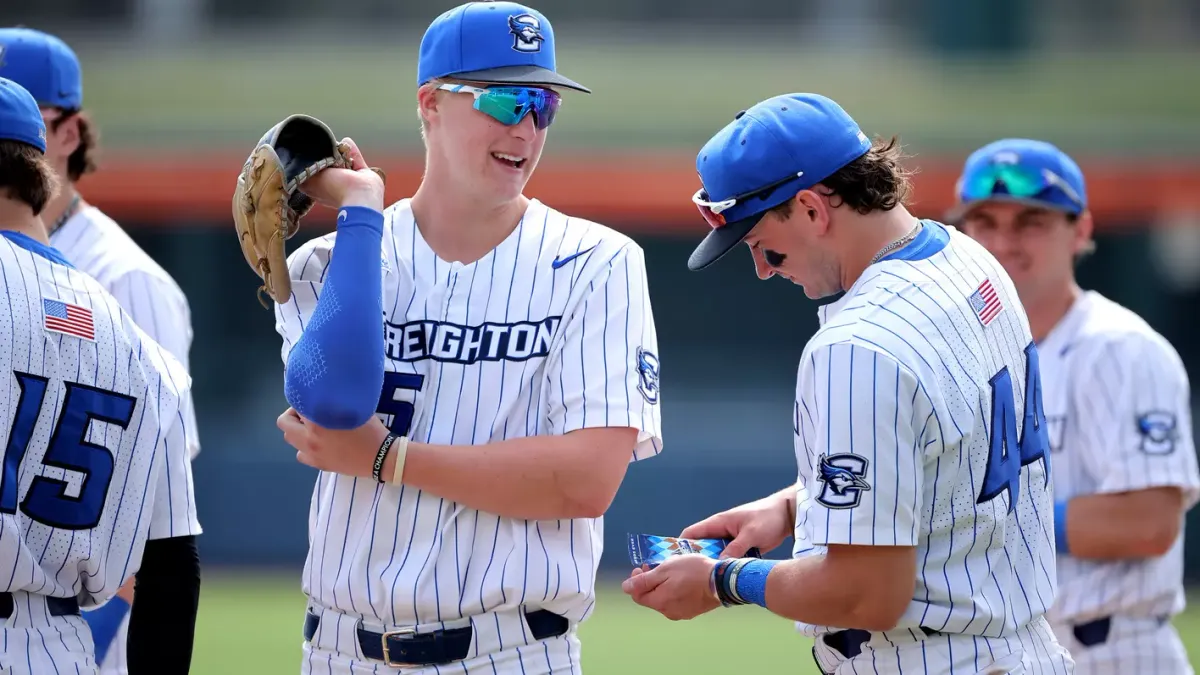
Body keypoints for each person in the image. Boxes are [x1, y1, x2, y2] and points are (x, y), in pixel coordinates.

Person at [620, 93, 1076, 674]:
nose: (763, 268)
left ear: (811, 208)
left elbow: (868, 593)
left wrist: (722, 580)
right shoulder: (971, 261)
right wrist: (793, 508)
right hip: (1021, 647)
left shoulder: (858, 344)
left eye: (762, 244)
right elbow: (938, 462)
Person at [269, 2, 664, 672]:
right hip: (339, 649)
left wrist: (388, 457)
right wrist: (363, 208)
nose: (529, 127)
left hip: (508, 649)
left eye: (545, 105)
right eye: (507, 101)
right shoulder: (329, 263)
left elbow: (586, 479)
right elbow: (333, 406)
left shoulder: (597, 261)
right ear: (430, 102)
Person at [951, 138, 1200, 673]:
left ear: (1081, 230)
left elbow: (1148, 522)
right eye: (985, 222)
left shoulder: (1120, 349)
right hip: (1010, 654)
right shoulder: (964, 355)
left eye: (1031, 222)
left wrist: (985, 520)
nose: (1003, 241)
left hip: (1112, 649)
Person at [0, 27, 204, 675]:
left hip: (92, 634)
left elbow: (148, 524)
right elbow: (175, 554)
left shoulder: (131, 281)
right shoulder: (125, 330)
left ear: (71, 133)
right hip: (58, 643)